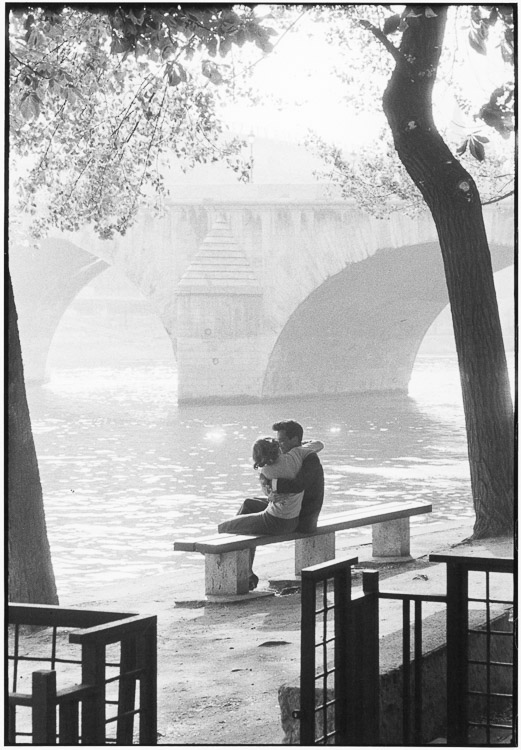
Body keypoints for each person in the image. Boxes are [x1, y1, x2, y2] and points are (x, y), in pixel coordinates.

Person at [218, 434, 324, 590]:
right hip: (292, 516)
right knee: (248, 506)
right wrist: (299, 445)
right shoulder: (296, 455)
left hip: (276, 521)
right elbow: (319, 444)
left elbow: (269, 495)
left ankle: (239, 569)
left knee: (224, 528)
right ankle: (247, 571)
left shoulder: (267, 471)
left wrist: (271, 492)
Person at [268, 420, 325, 533]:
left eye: (282, 441)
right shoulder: (292, 457)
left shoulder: (310, 459)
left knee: (248, 509)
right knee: (249, 504)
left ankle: (230, 545)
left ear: (294, 439)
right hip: (291, 509)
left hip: (302, 518)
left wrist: (272, 483)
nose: (279, 446)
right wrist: (271, 494)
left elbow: (297, 485)